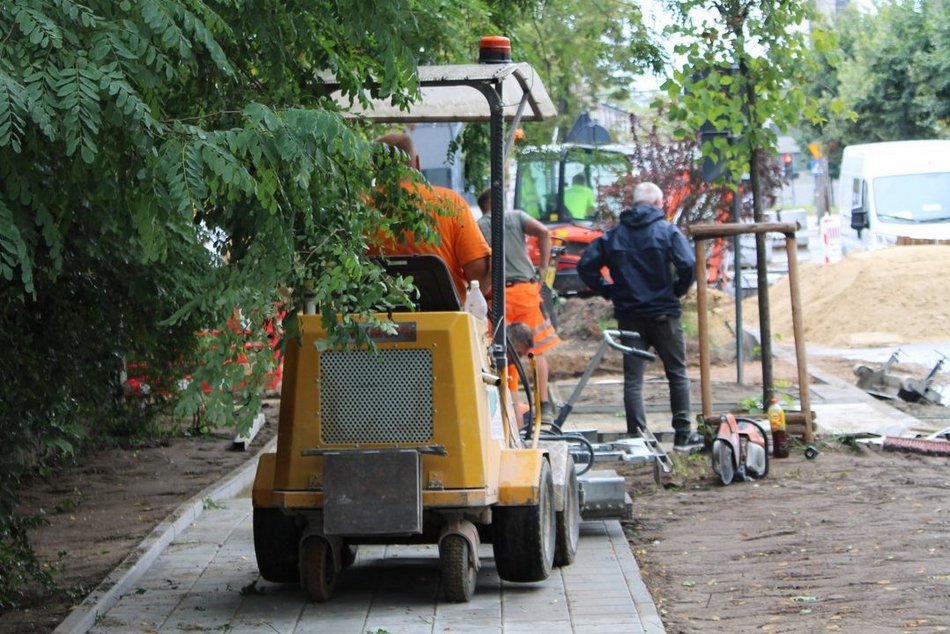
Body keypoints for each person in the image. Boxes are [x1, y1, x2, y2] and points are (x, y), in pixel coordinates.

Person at [576, 181, 702, 451]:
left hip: (629, 316)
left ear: (634, 204)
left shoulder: (614, 236)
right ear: (659, 204)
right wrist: (676, 290)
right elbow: (688, 264)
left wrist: (608, 290)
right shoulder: (667, 232)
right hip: (664, 315)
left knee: (633, 379)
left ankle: (637, 438)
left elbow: (586, 265)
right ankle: (682, 436)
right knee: (677, 373)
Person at [371, 133, 491, 302]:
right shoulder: (449, 203)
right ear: (417, 163)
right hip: (444, 322)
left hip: (372, 322)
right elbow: (478, 277)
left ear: (373, 166)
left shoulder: (357, 207)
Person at [476, 188, 561, 421]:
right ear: (498, 202)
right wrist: (543, 269)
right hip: (525, 292)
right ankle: (544, 406)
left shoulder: (477, 226)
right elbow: (543, 232)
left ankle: (512, 411)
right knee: (536, 350)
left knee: (505, 350)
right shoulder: (515, 216)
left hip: (497, 296)